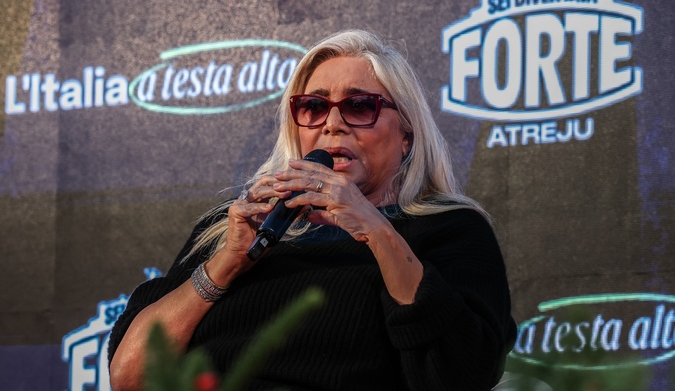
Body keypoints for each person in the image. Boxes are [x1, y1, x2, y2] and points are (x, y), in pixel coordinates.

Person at [108, 29, 517, 390]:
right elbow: (130, 377)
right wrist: (227, 264)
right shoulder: (230, 226)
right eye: (314, 107)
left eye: (359, 106)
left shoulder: (449, 229)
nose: (332, 123)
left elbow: (462, 375)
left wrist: (375, 229)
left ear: (406, 134)